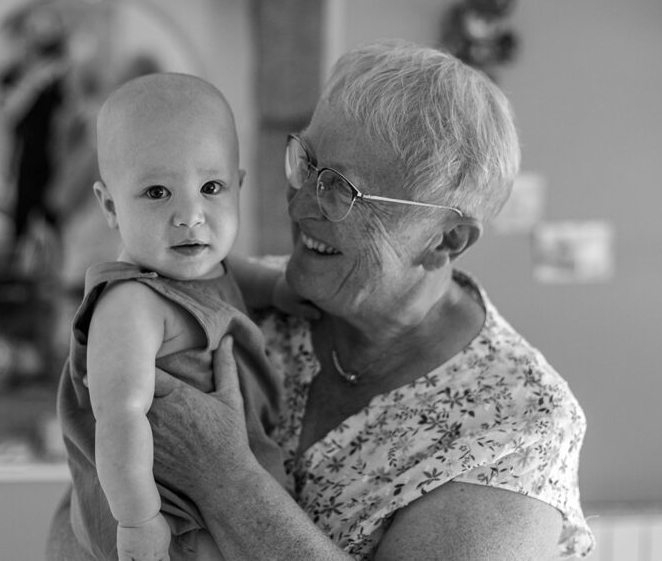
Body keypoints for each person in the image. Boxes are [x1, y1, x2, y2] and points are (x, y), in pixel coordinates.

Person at [48, 39, 594, 559]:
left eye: (343, 190)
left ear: (443, 240)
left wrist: (224, 478)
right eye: (305, 163)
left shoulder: (517, 427)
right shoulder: (227, 290)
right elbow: (82, 505)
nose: (299, 203)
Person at [54, 73, 308, 561]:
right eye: (156, 193)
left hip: (216, 492)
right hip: (167, 511)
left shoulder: (208, 265)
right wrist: (139, 520)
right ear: (110, 205)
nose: (191, 215)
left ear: (238, 186)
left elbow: (240, 275)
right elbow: (118, 417)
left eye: (211, 186)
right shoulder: (131, 304)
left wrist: (279, 289)